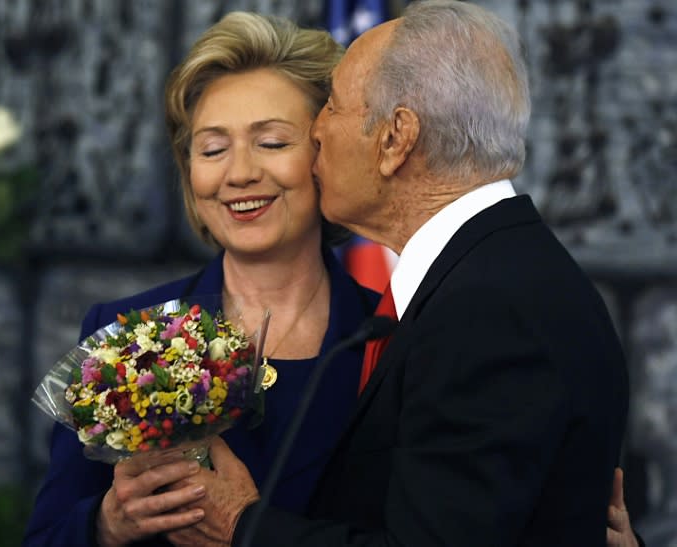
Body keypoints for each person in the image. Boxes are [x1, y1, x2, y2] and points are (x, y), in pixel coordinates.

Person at [164, 2, 632, 546]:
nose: (315, 131)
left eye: (333, 107)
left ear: (395, 139)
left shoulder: (485, 312)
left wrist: (243, 526)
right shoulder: (498, 276)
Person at [22, 12, 380, 547]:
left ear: (324, 155)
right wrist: (107, 523)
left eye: (273, 143)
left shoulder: (392, 332)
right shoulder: (122, 333)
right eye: (213, 149)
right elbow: (45, 539)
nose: (239, 173)